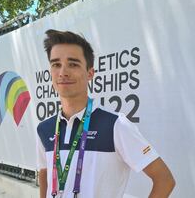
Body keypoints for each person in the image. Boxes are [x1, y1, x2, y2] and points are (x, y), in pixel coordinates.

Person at [36, 29, 175, 198]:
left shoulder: (115, 124)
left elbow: (165, 180)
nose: (63, 72)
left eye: (73, 64)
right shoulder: (44, 128)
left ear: (90, 73)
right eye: (56, 64)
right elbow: (44, 173)